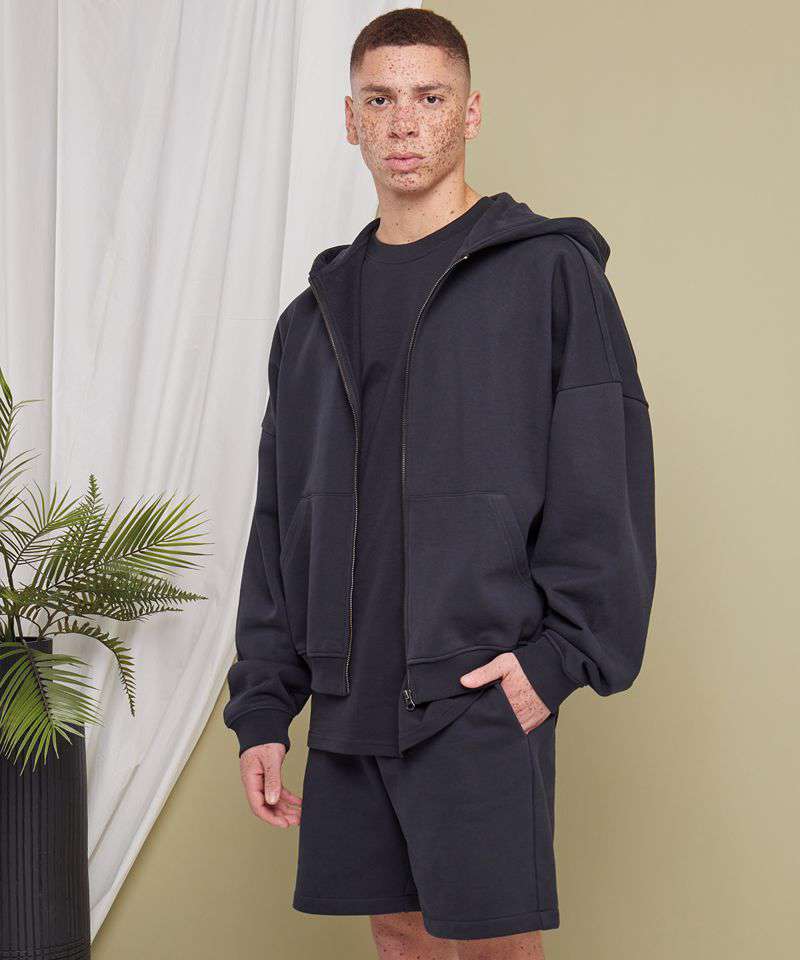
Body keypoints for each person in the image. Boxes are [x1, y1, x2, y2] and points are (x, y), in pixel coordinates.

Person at [223, 8, 656, 958]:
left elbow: (604, 477)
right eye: (380, 100)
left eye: (430, 97)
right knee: (399, 936)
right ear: (350, 119)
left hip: (477, 683)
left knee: (496, 945)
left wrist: (555, 662)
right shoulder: (311, 319)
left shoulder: (548, 274)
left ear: (471, 112)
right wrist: (263, 706)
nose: (405, 122)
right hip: (349, 690)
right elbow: (279, 521)